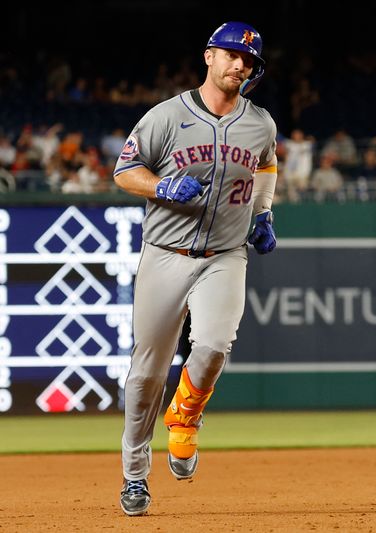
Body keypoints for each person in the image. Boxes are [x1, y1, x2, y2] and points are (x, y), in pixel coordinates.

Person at [113, 21, 278, 516]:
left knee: (211, 348)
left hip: (226, 255)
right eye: (231, 55)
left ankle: (184, 420)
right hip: (166, 253)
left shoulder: (260, 123)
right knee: (147, 374)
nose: (239, 65)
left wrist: (264, 212)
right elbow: (124, 171)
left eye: (248, 61)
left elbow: (266, 165)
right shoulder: (166, 117)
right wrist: (161, 188)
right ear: (209, 56)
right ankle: (134, 474)